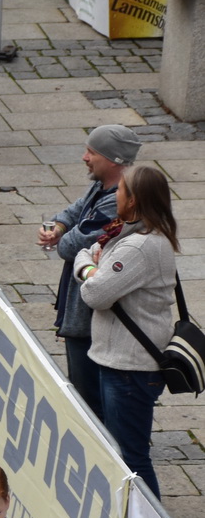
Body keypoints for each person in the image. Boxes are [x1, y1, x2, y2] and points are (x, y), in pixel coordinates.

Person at [74, 163, 179, 497]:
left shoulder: (138, 247)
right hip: (119, 362)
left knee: (131, 457)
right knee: (123, 452)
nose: (115, 193)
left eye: (121, 190)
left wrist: (87, 268)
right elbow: (93, 255)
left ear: (133, 201)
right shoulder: (132, 235)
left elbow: (96, 293)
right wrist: (94, 265)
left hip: (129, 369)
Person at [39, 124, 140, 418]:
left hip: (88, 317)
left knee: (88, 396)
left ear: (113, 160)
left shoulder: (114, 202)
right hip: (80, 308)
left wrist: (62, 236)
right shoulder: (101, 186)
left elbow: (71, 247)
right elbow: (73, 212)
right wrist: (58, 226)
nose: (84, 157)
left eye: (91, 152)